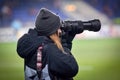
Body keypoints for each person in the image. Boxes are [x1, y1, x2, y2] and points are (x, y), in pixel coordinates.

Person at [17, 8, 78, 80]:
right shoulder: (51, 50)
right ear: (53, 31)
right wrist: (64, 44)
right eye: (58, 27)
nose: (60, 30)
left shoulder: (32, 46)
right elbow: (72, 68)